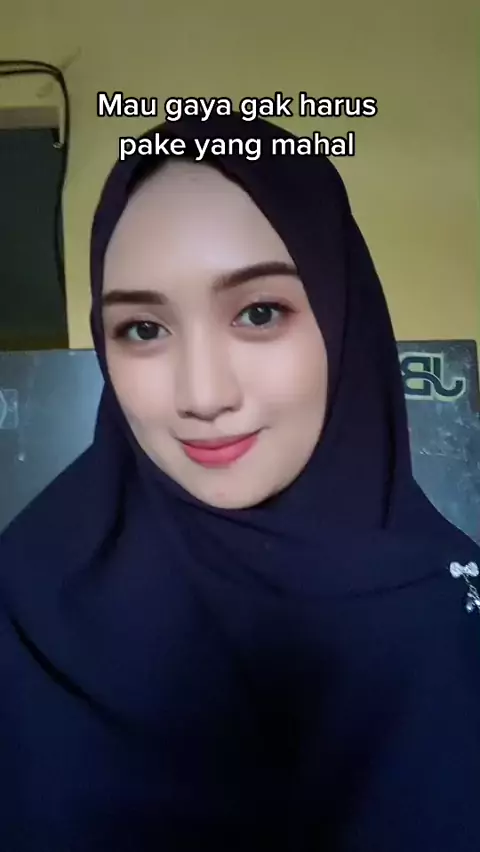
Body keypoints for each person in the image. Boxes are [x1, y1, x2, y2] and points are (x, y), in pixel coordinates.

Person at [0, 112, 479, 852]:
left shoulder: (454, 610)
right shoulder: (27, 599)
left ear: (343, 315)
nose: (203, 395)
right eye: (143, 329)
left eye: (259, 313)